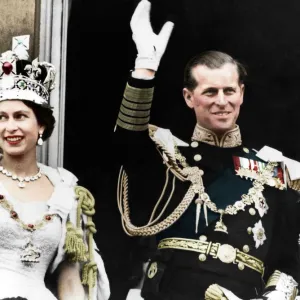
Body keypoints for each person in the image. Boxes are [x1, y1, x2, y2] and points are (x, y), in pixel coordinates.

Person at [115, 0, 300, 299]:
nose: (221, 101)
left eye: (229, 91)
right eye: (210, 92)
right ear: (189, 98)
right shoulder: (170, 157)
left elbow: (290, 257)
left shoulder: (276, 171)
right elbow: (126, 147)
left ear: (241, 93)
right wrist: (145, 67)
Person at [0, 46, 110, 300]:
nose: (10, 127)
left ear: (40, 126)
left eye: (20, 116)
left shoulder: (65, 190)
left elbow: (70, 279)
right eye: (2, 117)